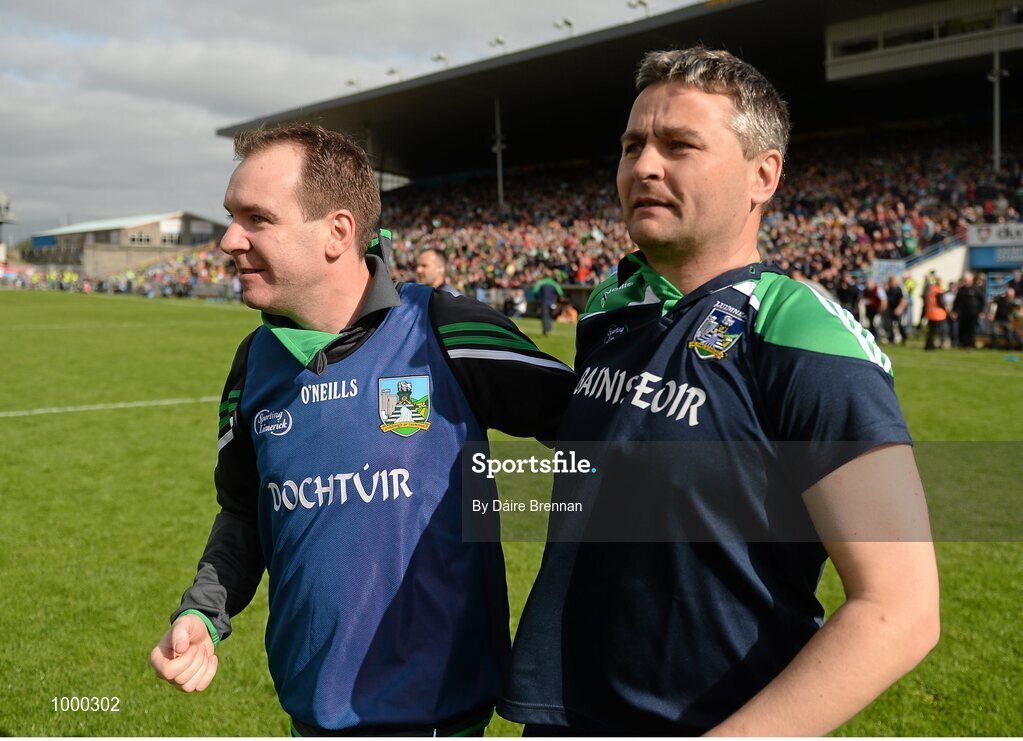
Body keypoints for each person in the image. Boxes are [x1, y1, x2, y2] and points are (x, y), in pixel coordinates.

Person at [499, 47, 939, 735]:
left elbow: (900, 609)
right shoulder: (611, 309)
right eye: (631, 144)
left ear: (762, 175)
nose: (643, 165)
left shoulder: (801, 334)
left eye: (679, 145)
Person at [148, 124, 576, 736]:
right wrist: (205, 610)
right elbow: (244, 513)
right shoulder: (254, 364)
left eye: (256, 218)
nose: (227, 240)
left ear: (338, 232)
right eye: (229, 215)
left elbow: (605, 435)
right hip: (309, 718)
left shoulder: (443, 330)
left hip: (433, 719)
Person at [952, 271, 983, 349]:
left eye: (966, 280)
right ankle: (962, 343)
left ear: (971, 280)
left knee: (971, 329)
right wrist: (955, 311)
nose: (965, 281)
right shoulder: (961, 290)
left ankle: (970, 344)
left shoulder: (977, 289)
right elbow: (957, 301)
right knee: (962, 329)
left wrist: (981, 312)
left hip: (973, 313)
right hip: (962, 314)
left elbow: (982, 301)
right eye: (964, 280)